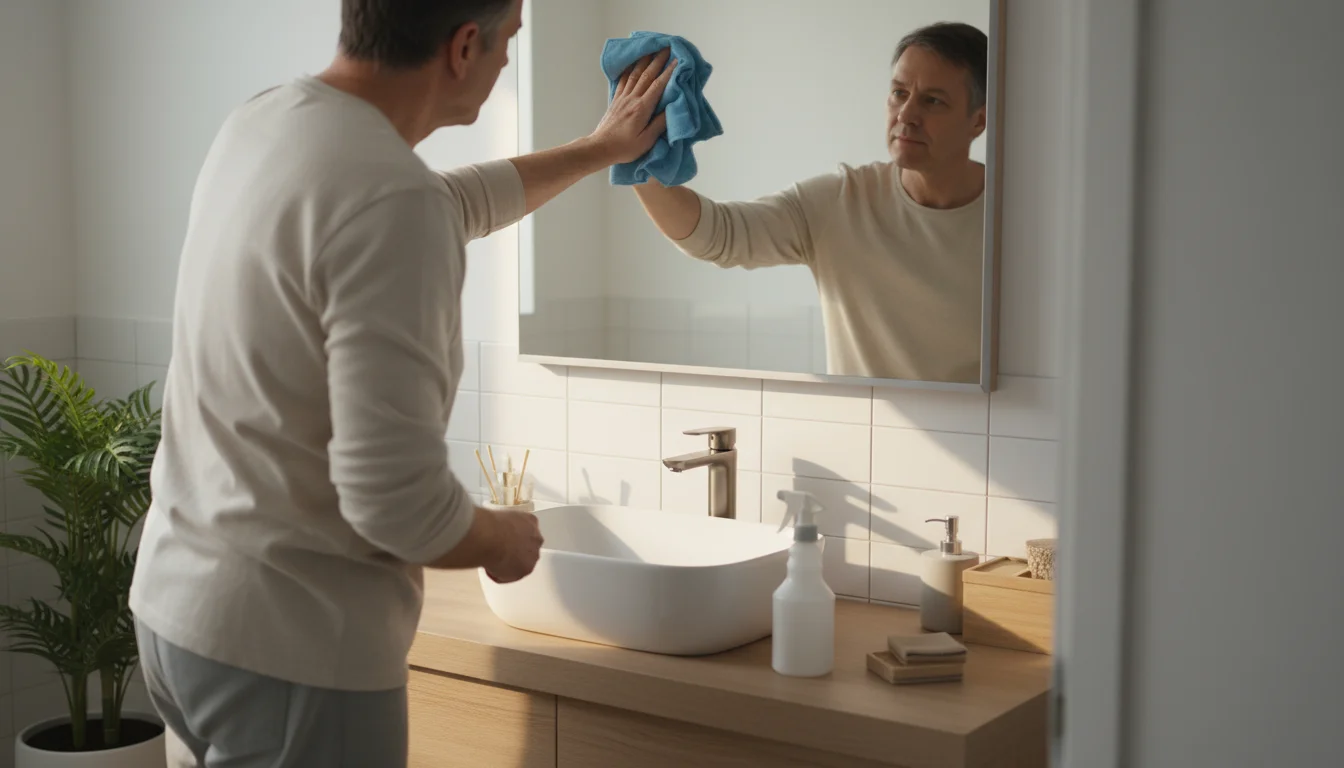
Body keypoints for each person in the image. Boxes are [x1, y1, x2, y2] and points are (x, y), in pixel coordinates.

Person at [127, 1, 674, 765]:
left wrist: (597, 149)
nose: (508, 61)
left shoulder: (265, 121)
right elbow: (396, 505)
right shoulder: (391, 198)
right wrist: (500, 536)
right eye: (510, 40)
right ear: (463, 47)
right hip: (294, 653)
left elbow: (445, 204)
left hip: (178, 618)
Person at [632, 22, 988, 383]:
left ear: (979, 120)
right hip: (863, 422)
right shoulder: (841, 202)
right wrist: (636, 158)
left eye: (932, 101)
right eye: (899, 93)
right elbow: (718, 235)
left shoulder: (1012, 221)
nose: (906, 115)